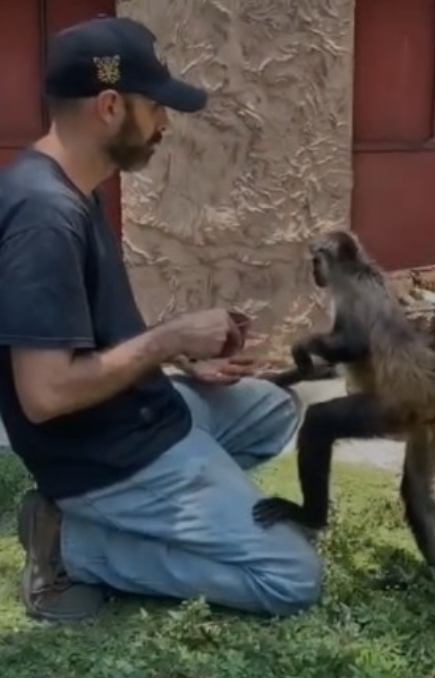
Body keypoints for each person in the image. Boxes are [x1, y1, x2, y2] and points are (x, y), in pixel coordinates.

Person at [0, 16, 321, 622]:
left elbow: (91, 334)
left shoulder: (72, 187)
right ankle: (72, 543)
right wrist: (168, 338)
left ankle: (191, 497)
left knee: (274, 409)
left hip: (135, 413)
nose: (165, 124)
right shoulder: (44, 217)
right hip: (104, 455)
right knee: (291, 576)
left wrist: (180, 355)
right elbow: (42, 394)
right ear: (111, 105)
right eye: (155, 108)